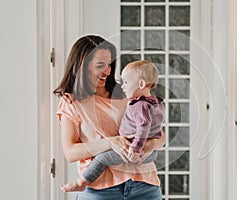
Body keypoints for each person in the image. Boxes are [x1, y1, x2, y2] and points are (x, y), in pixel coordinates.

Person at [53, 35, 165, 199]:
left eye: (110, 65)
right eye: (100, 65)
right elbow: (70, 152)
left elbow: (160, 135)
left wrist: (150, 145)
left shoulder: (129, 93)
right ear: (82, 66)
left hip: (145, 186)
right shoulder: (72, 102)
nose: (108, 71)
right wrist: (110, 143)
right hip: (99, 190)